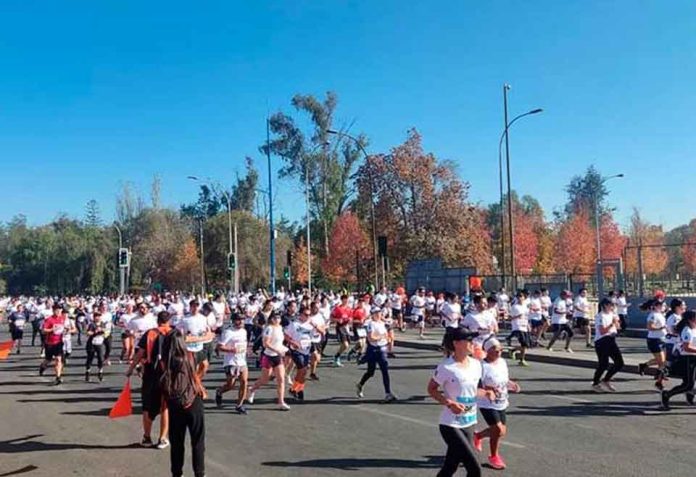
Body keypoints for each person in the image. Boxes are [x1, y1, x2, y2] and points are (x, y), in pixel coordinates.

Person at [427, 327, 496, 477]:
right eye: (469, 340)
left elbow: (473, 391)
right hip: (451, 425)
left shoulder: (476, 365)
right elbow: (431, 389)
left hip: (469, 423)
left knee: (450, 467)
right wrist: (449, 403)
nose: (473, 343)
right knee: (475, 468)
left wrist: (486, 393)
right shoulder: (446, 367)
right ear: (457, 343)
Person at [160, 328, 207, 477]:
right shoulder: (191, 355)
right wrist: (197, 380)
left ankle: (177, 473)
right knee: (198, 440)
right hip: (192, 399)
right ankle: (199, 473)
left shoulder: (165, 360)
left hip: (174, 401)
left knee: (177, 442)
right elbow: (205, 365)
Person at [126, 311, 172, 450]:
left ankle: (146, 437)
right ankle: (163, 438)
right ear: (169, 321)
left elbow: (139, 353)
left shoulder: (149, 333)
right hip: (167, 374)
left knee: (147, 406)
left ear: (157, 320)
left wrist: (131, 368)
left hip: (150, 373)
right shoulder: (173, 333)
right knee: (165, 406)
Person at [473, 337, 521, 470]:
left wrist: (512, 384)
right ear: (487, 350)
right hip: (486, 402)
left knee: (501, 432)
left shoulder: (502, 362)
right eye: (495, 349)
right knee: (497, 429)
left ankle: (478, 436)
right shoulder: (481, 366)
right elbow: (476, 385)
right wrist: (487, 390)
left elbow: (504, 379)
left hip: (501, 400)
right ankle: (494, 457)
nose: (499, 351)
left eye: (500, 348)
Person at [247, 311, 290, 411]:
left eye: (279, 318)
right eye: (275, 318)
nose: (277, 320)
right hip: (268, 356)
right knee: (265, 379)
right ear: (271, 319)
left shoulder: (280, 328)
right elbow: (266, 343)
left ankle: (281, 402)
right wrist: (277, 350)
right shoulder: (269, 328)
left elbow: (279, 342)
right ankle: (252, 389)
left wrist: (284, 349)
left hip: (278, 357)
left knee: (281, 379)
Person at [356, 306, 397, 402]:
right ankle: (360, 384)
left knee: (385, 371)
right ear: (372, 315)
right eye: (376, 313)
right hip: (373, 350)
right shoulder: (371, 324)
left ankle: (388, 393)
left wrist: (387, 339)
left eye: (379, 313)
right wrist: (381, 336)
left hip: (382, 350)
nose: (379, 314)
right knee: (371, 372)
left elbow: (386, 335)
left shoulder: (382, 324)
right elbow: (371, 338)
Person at [661, 310, 696, 410]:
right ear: (691, 319)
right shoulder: (687, 331)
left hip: (693, 357)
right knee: (688, 384)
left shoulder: (693, 328)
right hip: (688, 359)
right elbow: (686, 347)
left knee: (688, 383)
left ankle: (689, 396)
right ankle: (667, 394)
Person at [215, 313, 249, 414]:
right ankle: (220, 391)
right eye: (239, 320)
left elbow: (244, 344)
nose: (241, 322)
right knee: (231, 385)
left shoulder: (244, 331)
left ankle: (239, 405)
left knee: (244, 382)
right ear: (234, 321)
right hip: (231, 361)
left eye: (242, 319)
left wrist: (247, 350)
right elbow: (219, 346)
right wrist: (231, 349)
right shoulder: (228, 332)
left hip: (242, 361)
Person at [591, 298, 623, 392]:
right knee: (603, 364)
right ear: (605, 305)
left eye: (613, 305)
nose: (612, 307)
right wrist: (611, 324)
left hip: (611, 340)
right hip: (602, 341)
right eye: (610, 305)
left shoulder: (612, 315)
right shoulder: (599, 316)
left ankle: (606, 380)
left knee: (619, 363)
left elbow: (618, 327)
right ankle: (595, 383)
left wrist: (617, 322)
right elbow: (602, 331)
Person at [285, 304, 314, 401]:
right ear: (300, 314)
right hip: (296, 350)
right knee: (301, 369)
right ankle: (294, 389)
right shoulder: (294, 324)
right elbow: (286, 335)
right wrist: (292, 342)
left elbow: (321, 333)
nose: (308, 317)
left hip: (306, 350)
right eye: (306, 314)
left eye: (309, 315)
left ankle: (299, 389)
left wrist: (316, 326)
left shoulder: (310, 325)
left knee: (304, 372)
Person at [639, 298, 667, 390]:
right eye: (662, 305)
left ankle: (644, 366)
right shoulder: (653, 315)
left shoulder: (660, 314)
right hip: (654, 340)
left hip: (662, 339)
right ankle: (659, 380)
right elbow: (649, 327)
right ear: (656, 306)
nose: (664, 307)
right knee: (662, 362)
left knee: (661, 360)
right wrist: (661, 328)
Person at [39, 304, 68, 385]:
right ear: (53, 310)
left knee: (58, 359)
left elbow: (63, 328)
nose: (58, 311)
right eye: (57, 310)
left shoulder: (62, 318)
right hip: (49, 343)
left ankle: (58, 377)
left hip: (58, 343)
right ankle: (42, 367)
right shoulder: (49, 319)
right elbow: (43, 330)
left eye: (60, 310)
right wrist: (52, 329)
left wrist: (66, 330)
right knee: (48, 360)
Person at [507, 291, 530, 366]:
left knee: (526, 345)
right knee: (523, 343)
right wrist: (517, 316)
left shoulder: (525, 307)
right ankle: (522, 359)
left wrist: (528, 325)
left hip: (524, 326)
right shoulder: (514, 307)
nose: (520, 298)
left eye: (521, 296)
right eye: (518, 297)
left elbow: (527, 317)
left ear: (524, 297)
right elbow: (509, 317)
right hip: (517, 326)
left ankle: (515, 353)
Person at [85, 311, 109, 382]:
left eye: (99, 316)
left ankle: (100, 373)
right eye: (96, 316)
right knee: (90, 358)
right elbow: (87, 333)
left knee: (101, 359)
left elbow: (106, 332)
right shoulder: (91, 324)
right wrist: (94, 331)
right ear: (94, 317)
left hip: (100, 343)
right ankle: (87, 372)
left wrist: (103, 330)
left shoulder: (103, 324)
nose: (98, 318)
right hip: (92, 343)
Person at [331, 294, 353, 367]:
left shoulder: (349, 309)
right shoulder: (337, 308)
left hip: (346, 327)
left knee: (347, 344)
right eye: (345, 299)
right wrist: (337, 320)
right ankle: (337, 357)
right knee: (345, 345)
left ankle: (337, 355)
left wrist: (350, 320)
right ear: (342, 300)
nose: (346, 301)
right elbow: (331, 317)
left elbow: (351, 317)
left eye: (347, 299)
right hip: (340, 327)